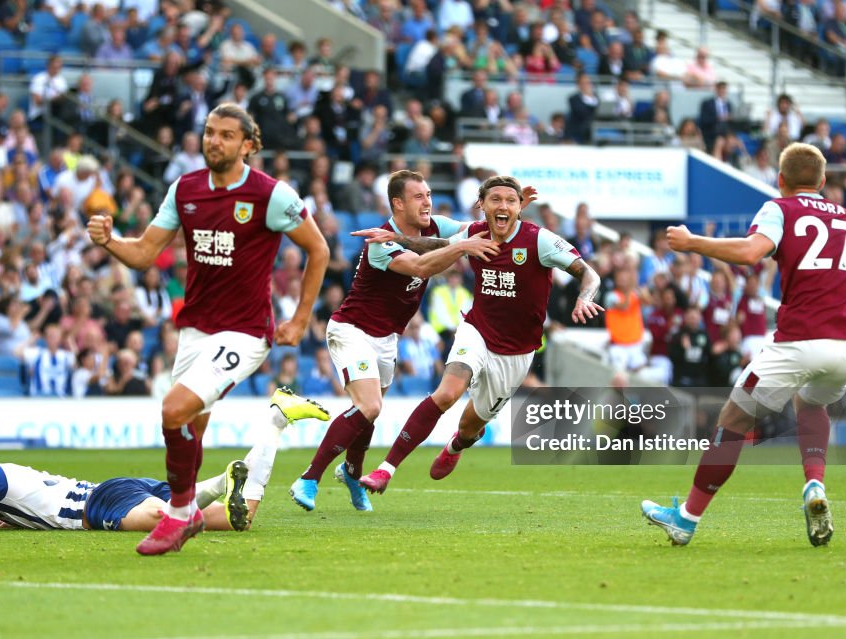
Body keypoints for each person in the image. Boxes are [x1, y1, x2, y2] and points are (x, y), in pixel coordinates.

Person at [86, 103, 330, 555]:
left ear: (248, 145)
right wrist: (109, 242)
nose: (213, 141)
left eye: (225, 135)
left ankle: (179, 516)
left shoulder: (271, 195)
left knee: (172, 410)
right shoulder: (185, 189)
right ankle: (190, 509)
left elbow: (318, 249)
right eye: (209, 132)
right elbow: (143, 253)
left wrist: (299, 318)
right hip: (195, 330)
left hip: (244, 331)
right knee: (190, 429)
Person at [642, 143, 846, 547]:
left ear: (780, 180)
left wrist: (693, 243)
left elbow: (750, 252)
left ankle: (685, 519)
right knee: (811, 403)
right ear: (823, 181)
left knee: (733, 421)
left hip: (802, 339)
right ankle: (814, 485)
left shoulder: (780, 207)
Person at [358, 175, 603, 493]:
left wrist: (585, 297)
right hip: (476, 331)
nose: (503, 206)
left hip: (515, 353)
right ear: (482, 206)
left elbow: (589, 273)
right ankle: (385, 470)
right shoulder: (473, 234)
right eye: (495, 200)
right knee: (446, 394)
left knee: (470, 426)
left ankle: (457, 446)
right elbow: (436, 245)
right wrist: (395, 238)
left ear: (519, 208)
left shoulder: (538, 240)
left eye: (511, 201)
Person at [288, 169, 501, 512]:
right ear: (398, 204)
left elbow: (474, 229)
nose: (428, 201)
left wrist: (504, 206)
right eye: (419, 196)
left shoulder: (435, 226)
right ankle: (309, 478)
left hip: (387, 338)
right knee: (370, 407)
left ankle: (352, 475)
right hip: (351, 329)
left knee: (367, 414)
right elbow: (420, 267)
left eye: (429, 194)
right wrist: (462, 246)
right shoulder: (380, 241)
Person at [0, 460, 249, 533]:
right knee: (240, 520)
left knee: (165, 521)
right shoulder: (6, 506)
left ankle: (220, 483)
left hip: (101, 503)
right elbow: (33, 508)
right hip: (117, 490)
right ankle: (273, 423)